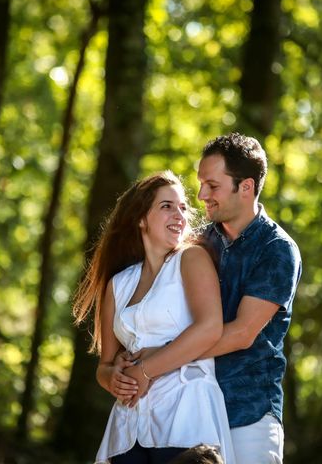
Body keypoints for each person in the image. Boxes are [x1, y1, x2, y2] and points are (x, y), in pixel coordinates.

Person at [72, 171, 235, 464]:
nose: (180, 214)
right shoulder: (118, 284)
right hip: (128, 428)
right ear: (141, 218)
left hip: (186, 420)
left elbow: (209, 328)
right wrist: (114, 378)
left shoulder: (191, 259)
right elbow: (105, 366)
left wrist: (144, 371)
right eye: (167, 206)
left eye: (183, 207)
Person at [195, 132, 302, 464]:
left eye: (212, 186)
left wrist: (161, 357)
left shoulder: (278, 250)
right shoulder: (197, 243)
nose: (201, 195)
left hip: (249, 415)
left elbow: (242, 333)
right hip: (192, 408)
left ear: (246, 187)